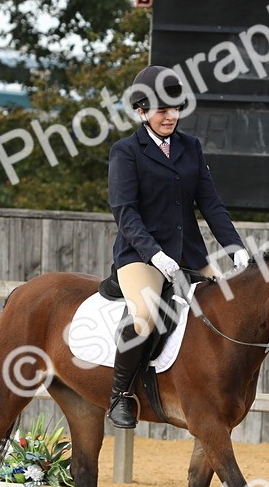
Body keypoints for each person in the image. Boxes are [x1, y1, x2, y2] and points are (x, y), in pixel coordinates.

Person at [105, 65, 251, 429]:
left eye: (175, 108)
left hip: (190, 256)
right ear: (141, 112)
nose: (170, 116)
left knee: (227, 308)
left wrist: (236, 248)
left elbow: (211, 204)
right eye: (161, 109)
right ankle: (119, 394)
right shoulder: (126, 152)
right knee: (145, 316)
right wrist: (154, 254)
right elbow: (125, 212)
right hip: (141, 257)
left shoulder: (190, 147)